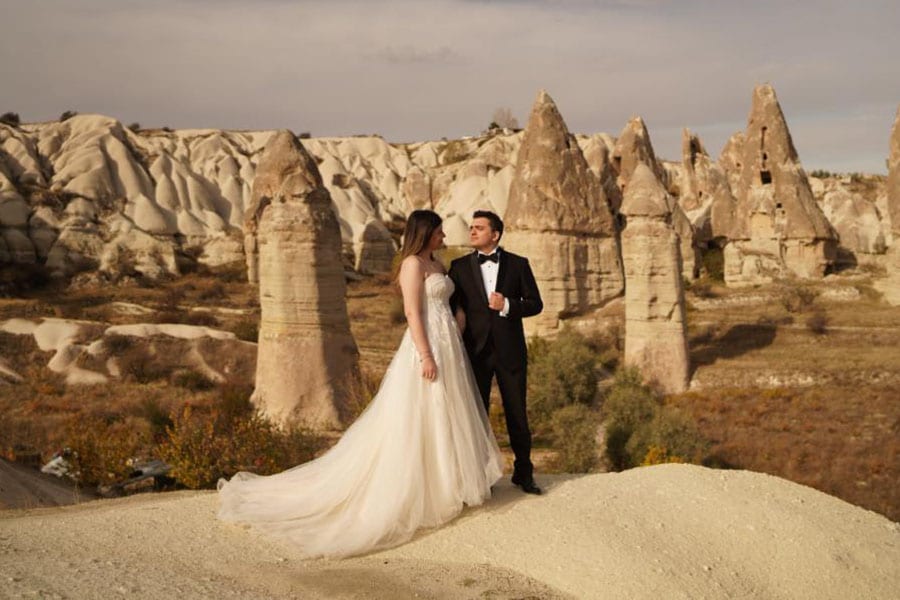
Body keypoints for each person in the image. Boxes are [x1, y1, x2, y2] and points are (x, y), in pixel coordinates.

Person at [217, 209, 503, 558]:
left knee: (447, 412)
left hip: (449, 343)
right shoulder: (412, 264)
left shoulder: (438, 265)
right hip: (426, 344)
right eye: (439, 231)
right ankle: (422, 491)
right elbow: (414, 312)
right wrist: (426, 354)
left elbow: (446, 301)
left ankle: (448, 486)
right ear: (425, 232)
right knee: (421, 413)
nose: (444, 236)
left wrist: (457, 321)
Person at [448, 210, 544, 495]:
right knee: (477, 415)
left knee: (517, 413)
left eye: (479, 228)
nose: (472, 231)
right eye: (472, 227)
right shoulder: (459, 267)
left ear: (495, 234)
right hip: (474, 353)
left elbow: (535, 304)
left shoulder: (518, 264)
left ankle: (524, 473)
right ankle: (479, 475)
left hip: (510, 351)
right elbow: (452, 307)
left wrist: (507, 305)